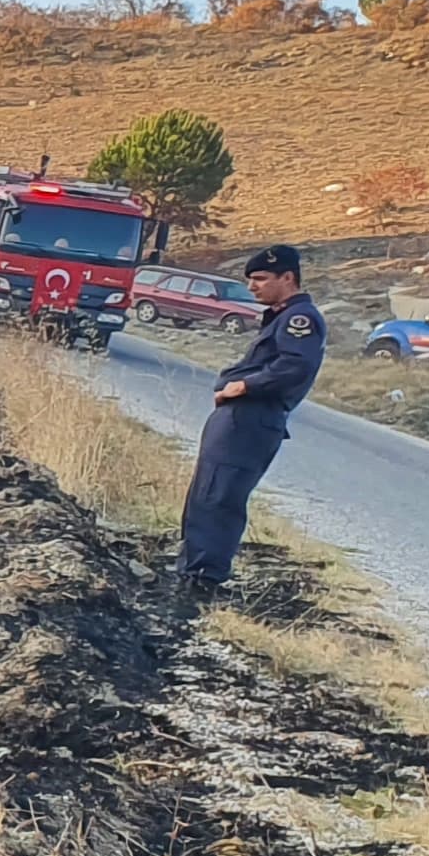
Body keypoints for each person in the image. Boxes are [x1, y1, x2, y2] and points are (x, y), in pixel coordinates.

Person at [178, 244, 323, 596]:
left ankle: (202, 580)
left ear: (288, 278)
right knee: (206, 494)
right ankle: (193, 570)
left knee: (219, 496)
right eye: (250, 280)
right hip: (241, 417)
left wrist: (242, 386)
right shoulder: (280, 316)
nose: (253, 286)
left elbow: (294, 366)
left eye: (260, 278)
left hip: (252, 418)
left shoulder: (299, 319)